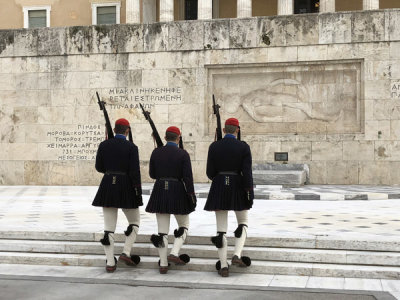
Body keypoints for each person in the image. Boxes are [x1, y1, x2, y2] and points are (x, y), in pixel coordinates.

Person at [204, 118, 254, 277]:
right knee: (243, 222)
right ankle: (237, 255)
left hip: (219, 184)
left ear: (224, 130)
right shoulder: (243, 146)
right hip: (237, 185)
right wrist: (248, 191)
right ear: (237, 130)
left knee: (221, 229)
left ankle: (223, 266)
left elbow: (209, 171)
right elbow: (247, 172)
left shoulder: (214, 146)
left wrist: (220, 179)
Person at [92, 118, 143, 273]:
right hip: (126, 185)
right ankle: (126, 252)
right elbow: (135, 172)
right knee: (134, 221)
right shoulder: (131, 147)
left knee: (108, 228)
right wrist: (137, 192)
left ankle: (110, 263)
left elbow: (99, 167)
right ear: (127, 131)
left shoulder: (104, 145)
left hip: (108, 184)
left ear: (114, 130)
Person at [146, 126, 196, 274]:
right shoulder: (183, 154)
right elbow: (188, 177)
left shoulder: (156, 152)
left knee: (162, 232)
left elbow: (152, 174)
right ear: (178, 138)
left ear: (165, 137)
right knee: (184, 225)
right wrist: (191, 195)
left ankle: (163, 264)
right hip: (177, 190)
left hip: (160, 189)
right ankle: (174, 252)